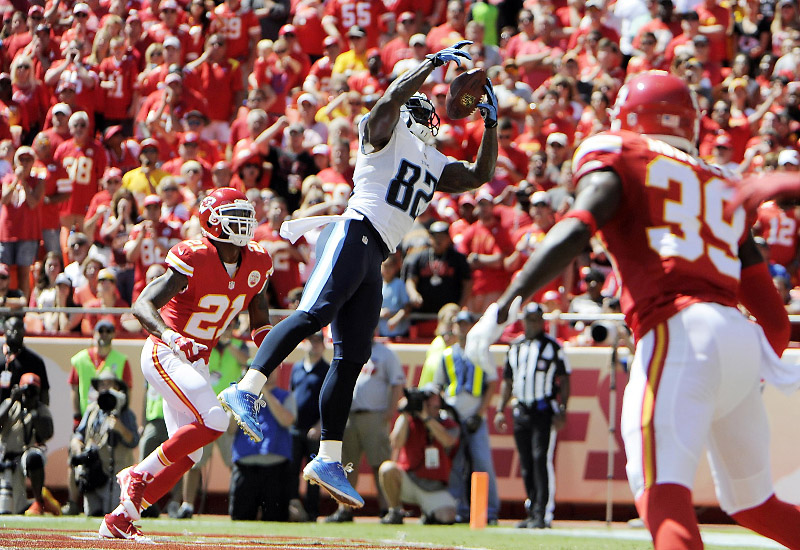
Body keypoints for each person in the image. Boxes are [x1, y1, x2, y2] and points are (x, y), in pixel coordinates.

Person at [466, 71, 800, 550]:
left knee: (661, 496)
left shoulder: (622, 152)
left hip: (678, 330)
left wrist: (505, 303)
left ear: (628, 114)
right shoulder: (720, 183)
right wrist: (748, 372)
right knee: (755, 504)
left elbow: (578, 227)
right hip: (738, 335)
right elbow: (776, 320)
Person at [220, 39, 498, 509]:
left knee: (351, 357)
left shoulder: (432, 161)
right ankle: (247, 388)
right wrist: (431, 63)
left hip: (377, 255)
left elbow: (477, 175)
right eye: (427, 109)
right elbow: (388, 100)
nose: (435, 118)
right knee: (315, 313)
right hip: (353, 232)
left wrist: (491, 124)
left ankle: (328, 457)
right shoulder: (384, 129)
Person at [98, 187, 273, 540]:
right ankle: (137, 474)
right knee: (215, 418)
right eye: (234, 217)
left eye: (246, 217)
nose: (244, 225)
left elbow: (260, 322)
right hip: (167, 352)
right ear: (212, 221)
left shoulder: (257, 261)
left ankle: (120, 518)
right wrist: (172, 336)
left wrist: (275, 347)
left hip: (197, 361)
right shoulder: (194, 256)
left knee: (192, 454)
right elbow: (143, 304)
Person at [494, 302, 570, 529]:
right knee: (526, 463)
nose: (533, 323)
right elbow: (507, 381)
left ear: (543, 321)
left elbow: (565, 380)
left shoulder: (554, 347)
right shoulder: (515, 347)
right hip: (521, 409)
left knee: (540, 459)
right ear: (523, 321)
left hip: (543, 409)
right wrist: (500, 409)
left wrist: (563, 408)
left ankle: (542, 513)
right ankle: (532, 509)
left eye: (537, 319)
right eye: (530, 319)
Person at [325, 338, 405, 522]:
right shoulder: (348, 349)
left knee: (380, 464)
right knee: (346, 465)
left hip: (374, 415)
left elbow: (397, 383)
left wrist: (389, 413)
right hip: (349, 415)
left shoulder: (385, 353)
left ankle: (389, 508)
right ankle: (344, 509)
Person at [433, 310, 500, 524]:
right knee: (455, 465)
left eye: (466, 324)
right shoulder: (446, 354)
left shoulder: (481, 351)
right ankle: (457, 509)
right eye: (458, 324)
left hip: (474, 415)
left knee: (482, 462)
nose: (462, 328)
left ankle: (488, 511)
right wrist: (444, 412)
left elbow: (491, 384)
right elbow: (439, 385)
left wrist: (480, 414)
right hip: (453, 416)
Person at [378, 384, 459, 525]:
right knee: (387, 469)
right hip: (409, 481)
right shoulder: (409, 421)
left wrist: (426, 418)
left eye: (433, 400)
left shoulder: (448, 423)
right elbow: (396, 442)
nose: (429, 404)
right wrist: (404, 413)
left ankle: (429, 513)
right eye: (426, 401)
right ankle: (395, 511)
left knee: (447, 516)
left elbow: (448, 441)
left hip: (434, 487)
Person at [70, 371, 139, 516]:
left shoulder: (125, 413)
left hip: (116, 476)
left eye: (109, 384)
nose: (105, 388)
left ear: (118, 388)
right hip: (94, 472)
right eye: (102, 384)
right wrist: (77, 446)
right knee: (91, 514)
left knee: (114, 514)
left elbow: (134, 441)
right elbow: (78, 435)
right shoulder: (92, 410)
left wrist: (121, 428)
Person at [229, 373, 296, 521]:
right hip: (245, 464)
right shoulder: (240, 398)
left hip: (276, 465)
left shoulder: (285, 396)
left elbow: (287, 420)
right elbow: (230, 429)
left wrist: (264, 391)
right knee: (241, 517)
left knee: (276, 518)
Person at [0, 372, 57, 515]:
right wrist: (13, 400)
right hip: (8, 459)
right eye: (26, 390)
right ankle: (43, 501)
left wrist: (35, 411)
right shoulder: (10, 405)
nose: (29, 394)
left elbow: (47, 434)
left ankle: (38, 500)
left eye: (33, 391)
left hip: (28, 455)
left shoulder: (41, 409)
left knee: (34, 458)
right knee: (9, 510)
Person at [289, 331, 329, 522]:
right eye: (311, 341)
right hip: (296, 428)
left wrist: (320, 425)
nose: (314, 345)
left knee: (313, 474)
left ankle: (312, 512)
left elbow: (330, 402)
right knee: (292, 471)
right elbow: (292, 395)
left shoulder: (327, 370)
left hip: (314, 430)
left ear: (323, 345)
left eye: (318, 341)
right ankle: (293, 509)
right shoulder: (297, 368)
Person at [0, 317, 49, 405]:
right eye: (11, 330)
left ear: (24, 332)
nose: (14, 333)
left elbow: (44, 393)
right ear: (4, 332)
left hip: (23, 413)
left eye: (18, 330)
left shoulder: (35, 361)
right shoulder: (1, 356)